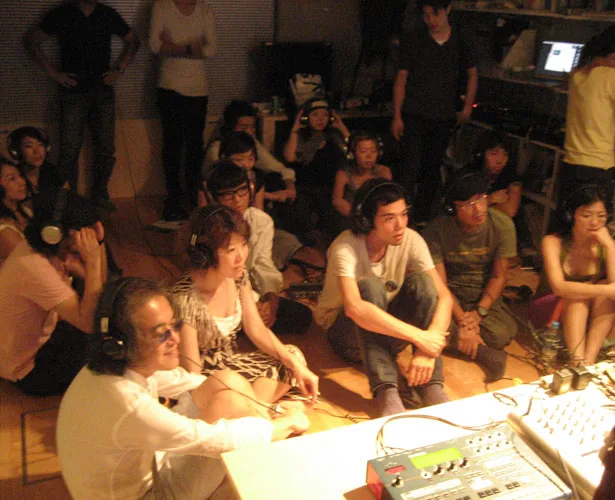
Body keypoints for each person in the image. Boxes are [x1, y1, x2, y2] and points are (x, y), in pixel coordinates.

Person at [57, 277, 310, 500]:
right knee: (232, 408)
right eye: (161, 333)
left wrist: (264, 408)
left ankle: (266, 438)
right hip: (150, 494)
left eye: (174, 326)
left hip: (150, 463)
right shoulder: (127, 402)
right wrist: (288, 423)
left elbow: (189, 381)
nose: (175, 338)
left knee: (226, 380)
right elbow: (210, 438)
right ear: (121, 343)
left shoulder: (111, 367)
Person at [315, 179, 452, 416]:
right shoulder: (345, 247)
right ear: (367, 220)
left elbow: (445, 297)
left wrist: (427, 349)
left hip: (389, 331)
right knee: (370, 287)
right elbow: (354, 308)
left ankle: (430, 384)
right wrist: (420, 337)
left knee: (423, 283)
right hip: (347, 335)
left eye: (404, 214)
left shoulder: (411, 239)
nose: (400, 225)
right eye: (389, 218)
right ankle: (386, 390)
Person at [172, 205, 319, 405]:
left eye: (243, 245)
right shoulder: (185, 300)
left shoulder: (238, 277)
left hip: (231, 367)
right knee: (230, 397)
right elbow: (192, 376)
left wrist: (296, 366)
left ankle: (250, 410)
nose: (241, 256)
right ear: (205, 254)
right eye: (231, 250)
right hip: (207, 385)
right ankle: (254, 410)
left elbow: (256, 329)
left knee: (293, 356)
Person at [25, 0, 140, 212]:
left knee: (106, 148)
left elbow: (134, 41)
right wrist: (54, 74)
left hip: (102, 90)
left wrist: (119, 70)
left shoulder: (107, 14)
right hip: (73, 92)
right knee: (69, 150)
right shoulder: (62, 13)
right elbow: (32, 41)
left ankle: (100, 195)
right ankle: (69, 200)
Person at [0, 188, 107, 396]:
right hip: (27, 370)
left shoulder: (44, 250)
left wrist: (100, 244)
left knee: (109, 329)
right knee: (110, 355)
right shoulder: (34, 267)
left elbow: (100, 285)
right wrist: (93, 261)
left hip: (41, 342)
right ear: (53, 233)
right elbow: (88, 322)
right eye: (83, 232)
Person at [422, 170, 518, 383]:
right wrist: (463, 321)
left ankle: (460, 341)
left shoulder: (502, 225)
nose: (478, 209)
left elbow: (498, 277)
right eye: (468, 204)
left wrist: (479, 313)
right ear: (452, 208)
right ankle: (484, 353)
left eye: (482, 200)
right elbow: (440, 285)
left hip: (482, 294)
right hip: (449, 295)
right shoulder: (436, 231)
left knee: (500, 334)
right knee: (423, 322)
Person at [391, 0, 477, 224]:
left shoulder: (460, 39)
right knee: (408, 171)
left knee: (431, 171)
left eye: (435, 14)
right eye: (426, 15)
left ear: (447, 10)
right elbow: (401, 78)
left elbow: (472, 74)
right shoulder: (414, 38)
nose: (431, 20)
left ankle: (422, 219)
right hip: (414, 113)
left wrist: (467, 106)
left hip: (443, 115)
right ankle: (402, 219)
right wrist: (397, 115)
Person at [204, 160, 313, 335]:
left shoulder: (259, 221)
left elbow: (263, 264)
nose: (237, 200)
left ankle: (244, 324)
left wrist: (271, 300)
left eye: (242, 192)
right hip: (215, 293)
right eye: (228, 195)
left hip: (247, 290)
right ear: (214, 198)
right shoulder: (207, 225)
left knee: (301, 316)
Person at [149, 0, 217, 221]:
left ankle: (192, 196)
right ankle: (173, 198)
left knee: (195, 146)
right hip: (169, 86)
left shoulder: (205, 10)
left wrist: (173, 47)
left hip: (198, 88)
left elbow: (212, 49)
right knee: (172, 145)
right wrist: (191, 48)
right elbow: (154, 45)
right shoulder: (162, 7)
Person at [537, 185, 615, 365]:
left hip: (592, 312)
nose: (595, 223)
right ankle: (578, 362)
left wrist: (610, 246)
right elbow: (559, 287)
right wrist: (604, 290)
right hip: (552, 308)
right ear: (571, 216)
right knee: (577, 297)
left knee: (604, 293)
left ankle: (588, 361)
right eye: (587, 216)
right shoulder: (552, 242)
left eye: (601, 216)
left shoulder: (606, 243)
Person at [560, 26, 615, 209]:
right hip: (597, 167)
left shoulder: (578, 74)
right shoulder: (610, 77)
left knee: (571, 222)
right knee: (594, 224)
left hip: (571, 165)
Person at [204, 100, 297, 205]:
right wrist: (269, 196)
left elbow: (278, 168)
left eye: (252, 127)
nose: (249, 131)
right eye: (244, 128)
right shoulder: (217, 149)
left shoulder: (251, 143)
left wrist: (290, 189)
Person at [284, 98, 350, 237]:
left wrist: (341, 127)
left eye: (325, 115)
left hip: (330, 189)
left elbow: (354, 151)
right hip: (305, 189)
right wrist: (295, 129)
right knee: (302, 224)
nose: (320, 119)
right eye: (315, 115)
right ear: (306, 118)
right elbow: (290, 157)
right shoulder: (300, 137)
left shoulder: (333, 136)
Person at [332, 131, 393, 220]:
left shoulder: (384, 172)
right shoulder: (343, 174)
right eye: (363, 151)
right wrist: (360, 217)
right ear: (352, 154)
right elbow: (337, 201)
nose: (369, 156)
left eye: (373, 151)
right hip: (351, 219)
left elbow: (390, 198)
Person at [467, 129, 522, 219]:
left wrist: (478, 207)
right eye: (494, 154)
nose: (500, 160)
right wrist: (490, 199)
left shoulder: (510, 178)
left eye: (505, 154)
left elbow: (510, 210)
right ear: (482, 154)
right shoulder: (469, 175)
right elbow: (462, 209)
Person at [7, 126, 62, 197]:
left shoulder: (52, 172)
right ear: (16, 151)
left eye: (40, 145)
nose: (37, 151)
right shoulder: (13, 177)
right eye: (29, 146)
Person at [0, 160, 32, 265]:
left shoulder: (26, 211)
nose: (22, 182)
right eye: (12, 179)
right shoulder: (3, 229)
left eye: (20, 176)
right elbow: (30, 262)